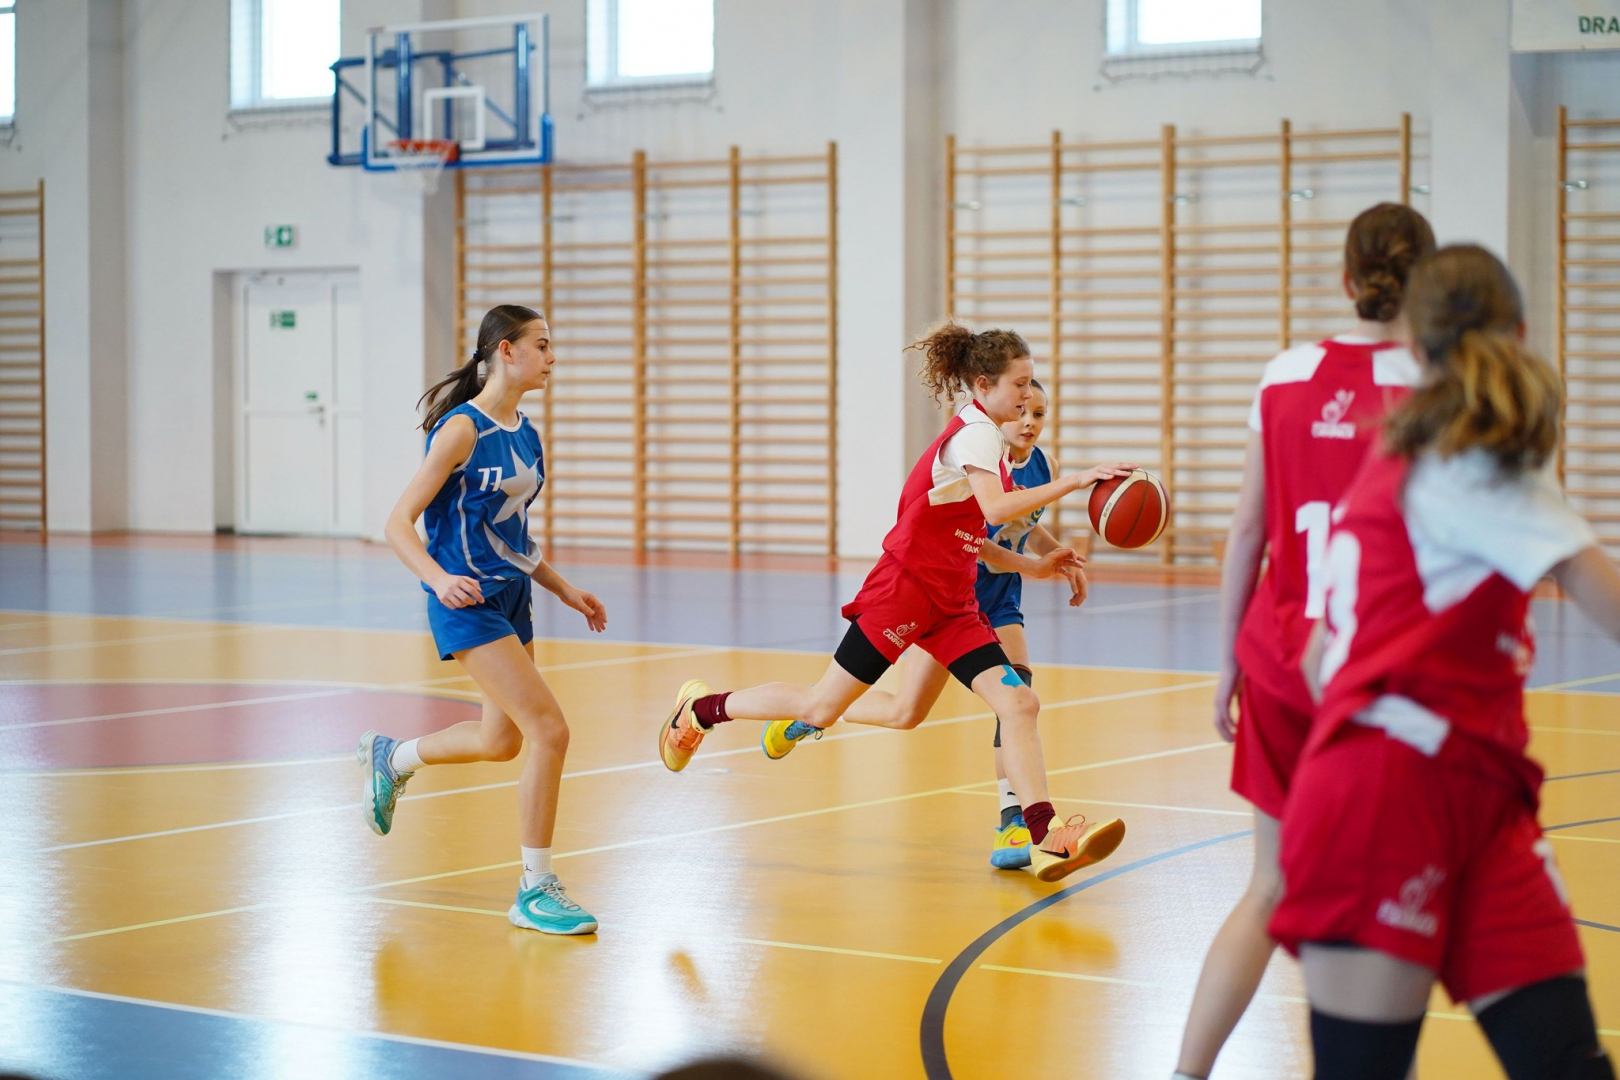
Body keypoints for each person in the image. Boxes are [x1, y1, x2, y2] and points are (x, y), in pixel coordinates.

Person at [1271, 245, 1618, 1079]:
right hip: (1389, 800)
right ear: (1523, 331)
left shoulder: (1412, 459)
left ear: (1413, 347)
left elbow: (1318, 665)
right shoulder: (1472, 466)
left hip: (1480, 800)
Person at [657, 322, 1131, 882]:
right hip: (904, 592)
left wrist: (1033, 564)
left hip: (953, 602)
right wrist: (1077, 480)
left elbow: (972, 535)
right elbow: (996, 511)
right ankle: (702, 710)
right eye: (1020, 384)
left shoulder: (995, 445)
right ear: (984, 385)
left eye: (1032, 384)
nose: (1028, 396)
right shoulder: (974, 435)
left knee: (1019, 703)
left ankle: (1044, 834)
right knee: (820, 708)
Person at [1173, 203, 1436, 1079]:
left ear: (1347, 280)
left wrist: (1227, 663)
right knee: (1391, 901)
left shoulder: (1285, 373)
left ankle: (1186, 1072)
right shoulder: (1439, 384)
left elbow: (1248, 528)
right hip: (1381, 677)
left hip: (1282, 665)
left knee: (1270, 886)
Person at [360, 304, 608, 936]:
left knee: (503, 743)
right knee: (550, 731)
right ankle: (534, 888)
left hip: (512, 598)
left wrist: (563, 589)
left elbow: (511, 536)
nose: (552, 357)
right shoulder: (460, 431)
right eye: (542, 345)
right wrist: (439, 578)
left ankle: (394, 758)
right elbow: (397, 523)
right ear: (505, 350)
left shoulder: (526, 433)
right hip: (466, 604)